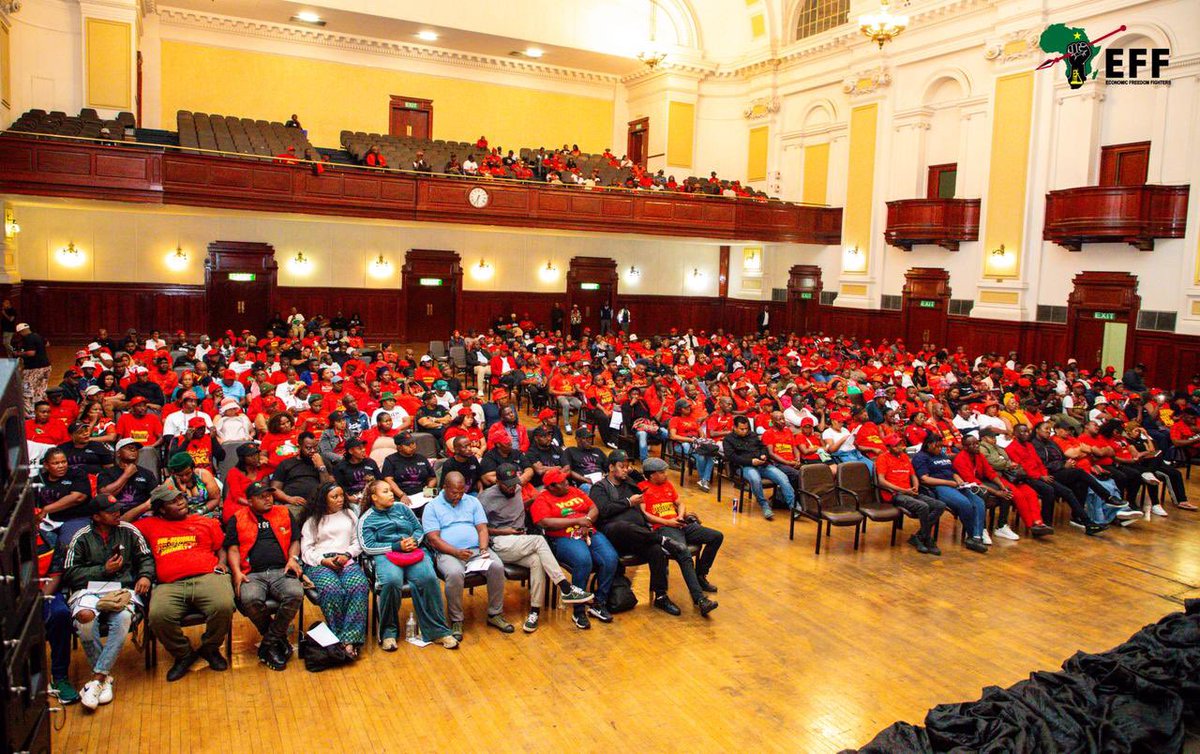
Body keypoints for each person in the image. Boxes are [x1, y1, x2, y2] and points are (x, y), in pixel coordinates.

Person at [62, 494, 154, 709]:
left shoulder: (129, 531)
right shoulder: (81, 537)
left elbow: (146, 558)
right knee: (85, 620)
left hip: (122, 589)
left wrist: (145, 576)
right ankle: (103, 678)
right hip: (88, 591)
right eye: (110, 511)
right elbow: (69, 573)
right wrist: (103, 569)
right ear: (96, 516)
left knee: (122, 618)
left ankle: (97, 679)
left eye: (118, 509)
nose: (117, 514)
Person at [135, 484, 234, 681]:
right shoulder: (149, 525)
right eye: (173, 501)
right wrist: (145, 505)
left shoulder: (206, 522)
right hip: (169, 584)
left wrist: (222, 563)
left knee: (224, 606)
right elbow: (120, 523)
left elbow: (221, 547)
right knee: (157, 616)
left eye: (181, 498)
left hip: (207, 576)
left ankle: (210, 648)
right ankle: (184, 654)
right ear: (161, 508)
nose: (181, 502)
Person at [479, 463, 593, 632]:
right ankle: (565, 587)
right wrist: (503, 531)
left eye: (515, 483)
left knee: (537, 561)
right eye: (508, 485)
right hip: (500, 542)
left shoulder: (517, 488)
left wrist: (539, 497)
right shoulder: (485, 498)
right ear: (498, 483)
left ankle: (534, 611)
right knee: (539, 541)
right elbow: (479, 529)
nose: (513, 487)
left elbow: (523, 505)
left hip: (521, 540)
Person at [357, 479, 458, 650]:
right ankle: (388, 632)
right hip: (385, 554)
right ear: (374, 497)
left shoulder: (402, 508)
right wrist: (396, 546)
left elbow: (419, 529)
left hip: (412, 550)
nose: (391, 494)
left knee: (428, 578)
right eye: (385, 491)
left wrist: (413, 542)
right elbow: (367, 546)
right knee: (391, 581)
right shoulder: (367, 518)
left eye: (391, 491)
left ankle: (437, 631)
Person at [589, 450, 691, 616]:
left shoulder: (630, 483)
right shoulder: (600, 487)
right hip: (614, 535)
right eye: (621, 466)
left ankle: (661, 596)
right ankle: (663, 540)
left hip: (638, 535)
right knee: (623, 525)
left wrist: (633, 473)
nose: (625, 470)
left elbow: (647, 480)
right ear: (611, 467)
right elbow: (603, 510)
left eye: (627, 466)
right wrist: (629, 502)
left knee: (656, 551)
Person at [422, 472, 513, 640]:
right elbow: (433, 539)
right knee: (455, 573)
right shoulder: (432, 506)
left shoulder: (472, 501)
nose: (458, 496)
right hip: (448, 553)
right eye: (454, 493)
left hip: (477, 550)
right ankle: (457, 619)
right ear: (444, 488)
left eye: (461, 492)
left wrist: (484, 550)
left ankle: (495, 614)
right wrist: (456, 552)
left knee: (496, 566)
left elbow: (482, 529)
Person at [223, 482, 304, 671]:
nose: (268, 499)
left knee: (295, 593)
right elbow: (233, 549)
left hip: (281, 569)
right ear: (250, 501)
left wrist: (293, 559)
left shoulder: (283, 512)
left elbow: (295, 540)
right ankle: (278, 639)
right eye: (262, 496)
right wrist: (236, 573)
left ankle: (268, 644)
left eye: (269, 495)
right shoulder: (238, 518)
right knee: (249, 598)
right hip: (252, 572)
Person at [529, 469, 618, 629]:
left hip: (588, 531)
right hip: (562, 537)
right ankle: (578, 611)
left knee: (610, 558)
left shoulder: (574, 491)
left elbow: (594, 508)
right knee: (583, 561)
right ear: (552, 487)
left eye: (566, 480)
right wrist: (576, 521)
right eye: (563, 482)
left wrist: (587, 521)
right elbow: (544, 522)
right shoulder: (542, 499)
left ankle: (598, 603)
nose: (567, 484)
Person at [637, 457, 720, 615]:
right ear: (651, 475)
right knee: (684, 552)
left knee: (716, 536)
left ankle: (701, 575)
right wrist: (668, 523)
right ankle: (700, 599)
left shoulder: (667, 485)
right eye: (662, 472)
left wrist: (680, 516)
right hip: (664, 527)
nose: (666, 475)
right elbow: (645, 514)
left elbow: (680, 503)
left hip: (680, 523)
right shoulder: (641, 488)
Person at [299, 482, 368, 658]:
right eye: (334, 497)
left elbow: (358, 541)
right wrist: (323, 560)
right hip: (320, 562)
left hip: (344, 558)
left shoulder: (349, 514)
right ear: (324, 499)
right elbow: (306, 550)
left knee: (359, 586)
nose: (340, 500)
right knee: (332, 590)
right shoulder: (312, 520)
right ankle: (337, 638)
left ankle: (350, 640)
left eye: (341, 495)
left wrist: (347, 554)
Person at [912, 436, 989, 553]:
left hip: (955, 484)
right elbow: (925, 479)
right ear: (929, 445)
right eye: (937, 446)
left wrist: (958, 480)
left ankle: (977, 537)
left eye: (941, 446)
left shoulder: (942, 455)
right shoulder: (921, 457)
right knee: (965, 504)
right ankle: (971, 535)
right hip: (938, 486)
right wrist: (949, 483)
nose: (940, 449)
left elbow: (953, 471)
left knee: (979, 502)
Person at [873, 435, 946, 554]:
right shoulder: (883, 458)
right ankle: (926, 538)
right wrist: (903, 490)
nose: (900, 447)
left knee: (940, 505)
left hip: (910, 491)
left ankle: (919, 536)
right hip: (895, 494)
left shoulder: (904, 457)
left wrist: (916, 486)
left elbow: (913, 475)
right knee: (923, 506)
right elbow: (881, 481)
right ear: (889, 447)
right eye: (896, 445)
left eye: (900, 444)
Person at [722, 415, 796, 520]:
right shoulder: (728, 440)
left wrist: (763, 455)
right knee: (755, 479)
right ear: (734, 427)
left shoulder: (752, 435)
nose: (744, 431)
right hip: (745, 466)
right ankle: (764, 505)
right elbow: (732, 457)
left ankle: (793, 506)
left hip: (762, 464)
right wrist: (751, 461)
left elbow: (763, 447)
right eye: (741, 429)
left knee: (783, 477)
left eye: (746, 429)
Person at [270, 432, 332, 514]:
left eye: (315, 447)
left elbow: (329, 487)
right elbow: (274, 489)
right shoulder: (286, 464)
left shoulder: (323, 462)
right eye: (308, 448)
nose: (313, 451)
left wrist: (321, 467)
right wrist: (289, 498)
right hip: (293, 504)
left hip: (318, 503)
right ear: (299, 447)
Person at [98, 438, 157, 521]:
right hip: (114, 516)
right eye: (129, 448)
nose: (134, 450)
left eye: (136, 449)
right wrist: (126, 475)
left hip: (141, 515)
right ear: (118, 453)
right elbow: (104, 495)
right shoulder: (107, 473)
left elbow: (155, 497)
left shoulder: (147, 473)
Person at [668, 398, 716, 493]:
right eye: (686, 407)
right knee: (701, 457)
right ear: (680, 409)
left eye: (689, 407)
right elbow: (673, 436)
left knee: (711, 456)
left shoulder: (693, 419)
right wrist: (690, 439)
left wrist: (701, 439)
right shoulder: (675, 419)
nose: (688, 409)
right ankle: (704, 479)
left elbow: (701, 432)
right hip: (682, 444)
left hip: (696, 443)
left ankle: (704, 481)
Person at [381, 431, 437, 507]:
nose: (412, 446)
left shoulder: (422, 458)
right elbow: (389, 480)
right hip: (401, 494)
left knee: (440, 496)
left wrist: (429, 488)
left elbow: (432, 478)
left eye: (413, 443)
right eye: (408, 444)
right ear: (399, 447)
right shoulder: (390, 460)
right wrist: (401, 495)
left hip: (423, 493)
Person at [166, 452, 221, 518]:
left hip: (208, 512)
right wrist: (182, 493)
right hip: (184, 517)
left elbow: (215, 499)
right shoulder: (170, 483)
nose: (184, 477)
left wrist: (200, 512)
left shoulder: (203, 475)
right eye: (180, 475)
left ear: (193, 469)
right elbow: (170, 508)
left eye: (188, 473)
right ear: (174, 474)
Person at [331, 437, 381, 504]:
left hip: (373, 496)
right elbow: (338, 487)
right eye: (359, 448)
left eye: (363, 447)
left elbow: (380, 480)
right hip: (353, 499)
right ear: (351, 451)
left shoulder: (370, 462)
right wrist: (348, 498)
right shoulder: (340, 467)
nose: (363, 450)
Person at [17, 322, 51, 416]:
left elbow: (31, 353)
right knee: (40, 390)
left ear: (21, 331)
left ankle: (30, 414)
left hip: (33, 368)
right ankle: (41, 410)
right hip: (46, 367)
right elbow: (47, 344)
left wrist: (19, 354)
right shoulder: (37, 335)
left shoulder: (28, 338)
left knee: (27, 391)